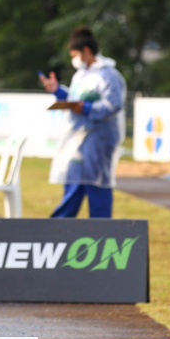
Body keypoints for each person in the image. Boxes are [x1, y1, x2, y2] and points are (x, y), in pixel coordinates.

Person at [38, 26, 126, 218]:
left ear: (86, 51)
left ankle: (101, 233)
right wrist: (57, 91)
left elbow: (113, 105)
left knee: (96, 185)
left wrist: (85, 108)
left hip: (98, 139)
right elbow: (74, 98)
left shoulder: (108, 75)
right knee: (74, 182)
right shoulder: (82, 74)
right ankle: (58, 229)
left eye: (75, 54)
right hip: (78, 139)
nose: (74, 60)